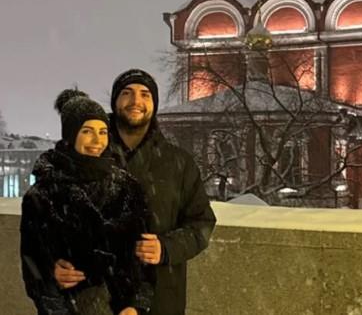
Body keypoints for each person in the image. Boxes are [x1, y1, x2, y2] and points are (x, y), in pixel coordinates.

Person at [55, 69, 217, 315]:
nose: (136, 101)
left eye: (145, 94)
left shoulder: (179, 163)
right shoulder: (85, 154)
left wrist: (167, 247)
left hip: (160, 299)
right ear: (115, 101)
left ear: (154, 104)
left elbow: (202, 223)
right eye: (127, 93)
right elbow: (51, 220)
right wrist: (53, 264)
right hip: (92, 298)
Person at [21, 89, 154, 315]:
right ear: (70, 135)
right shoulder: (43, 194)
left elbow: (143, 258)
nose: (97, 141)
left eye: (102, 132)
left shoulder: (127, 187)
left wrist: (136, 305)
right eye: (87, 131)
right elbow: (33, 262)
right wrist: (50, 275)